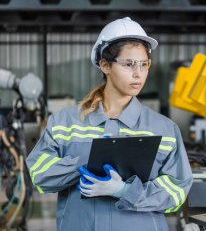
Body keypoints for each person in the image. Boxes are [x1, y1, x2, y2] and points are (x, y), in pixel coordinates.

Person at [26, 17, 193, 231]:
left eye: (144, 64)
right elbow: (39, 174)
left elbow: (177, 192)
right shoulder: (64, 122)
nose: (138, 73)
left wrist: (125, 191)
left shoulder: (165, 129)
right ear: (105, 65)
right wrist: (84, 164)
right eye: (129, 64)